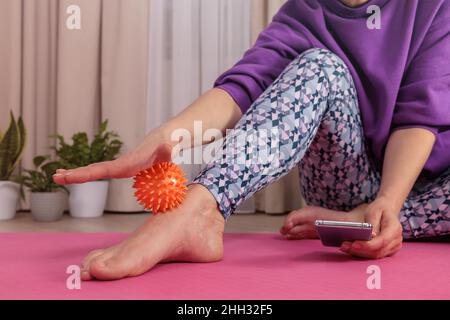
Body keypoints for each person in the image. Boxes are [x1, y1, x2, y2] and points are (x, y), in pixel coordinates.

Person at [53, 0, 450, 281]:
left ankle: (370, 221)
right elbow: (242, 86)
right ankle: (202, 209)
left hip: (425, 191)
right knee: (320, 67)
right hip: (346, 182)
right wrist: (166, 135)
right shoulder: (302, 12)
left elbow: (420, 114)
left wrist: (389, 205)